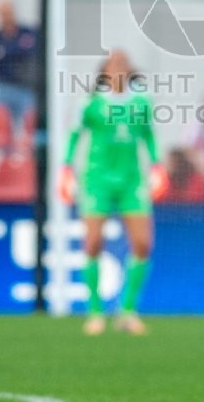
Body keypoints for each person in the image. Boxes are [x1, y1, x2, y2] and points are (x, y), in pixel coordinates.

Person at [58, 50, 169, 335]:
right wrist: (66, 168)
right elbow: (74, 134)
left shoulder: (141, 100)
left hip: (132, 182)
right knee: (93, 242)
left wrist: (157, 166)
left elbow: (148, 135)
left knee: (143, 244)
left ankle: (127, 311)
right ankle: (95, 312)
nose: (119, 67)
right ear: (105, 70)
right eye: (114, 63)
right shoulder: (91, 102)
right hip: (97, 181)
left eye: (124, 63)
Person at [0, 0, 38, 133]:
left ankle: (28, 154)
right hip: (3, 87)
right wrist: (16, 50)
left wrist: (5, 53)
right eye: (2, 13)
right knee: (3, 129)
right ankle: (7, 155)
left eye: (8, 12)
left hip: (25, 88)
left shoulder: (28, 33)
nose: (6, 16)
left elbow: (31, 53)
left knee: (30, 126)